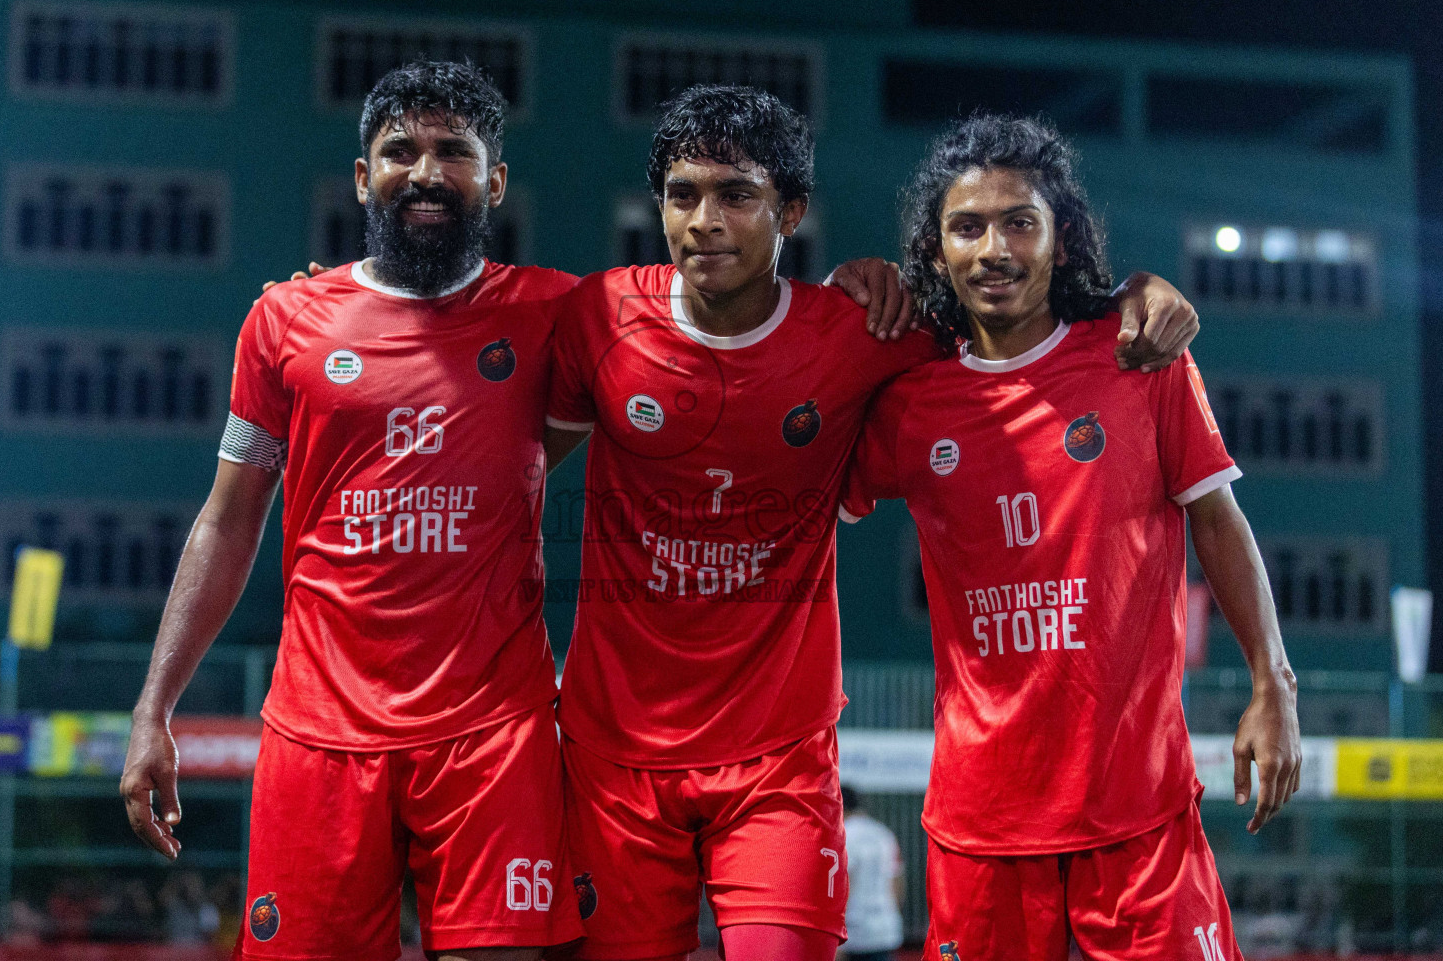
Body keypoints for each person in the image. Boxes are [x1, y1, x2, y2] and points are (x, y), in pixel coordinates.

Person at [540, 86, 1198, 961]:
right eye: (683, 194)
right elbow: (488, 428)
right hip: (611, 753)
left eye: (736, 195)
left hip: (775, 761)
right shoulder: (596, 317)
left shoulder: (863, 330)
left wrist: (1130, 294)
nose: (704, 220)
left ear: (791, 213)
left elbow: (1013, 316)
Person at [119, 60, 583, 961]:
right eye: (399, 150)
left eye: (454, 150)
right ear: (364, 178)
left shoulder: (557, 312)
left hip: (495, 731)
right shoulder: (286, 320)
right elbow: (227, 519)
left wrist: (851, 296)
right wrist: (154, 708)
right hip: (319, 734)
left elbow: (704, 320)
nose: (425, 170)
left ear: (493, 180)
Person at [840, 114, 1302, 960]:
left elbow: (1218, 519)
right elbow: (794, 499)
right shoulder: (913, 402)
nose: (994, 249)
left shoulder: (1139, 359)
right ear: (935, 249)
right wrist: (841, 313)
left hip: (1140, 823)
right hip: (980, 831)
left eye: (1021, 221)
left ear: (1063, 237)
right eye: (966, 227)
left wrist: (1275, 686)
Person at [839, 785, 904, 961]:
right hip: (885, 929)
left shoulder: (844, 835)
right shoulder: (884, 834)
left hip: (854, 932)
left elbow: (844, 884)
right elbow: (897, 882)